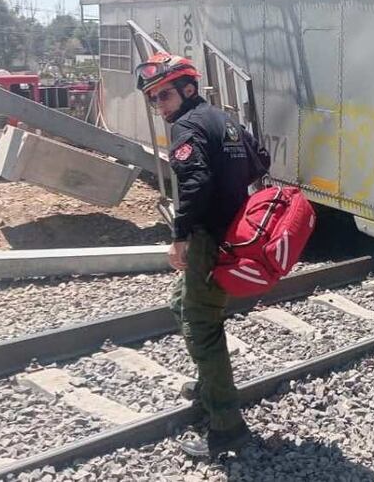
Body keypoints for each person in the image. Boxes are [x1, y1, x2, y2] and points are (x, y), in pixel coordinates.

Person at [135, 51, 270, 462]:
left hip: (209, 238)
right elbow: (260, 161)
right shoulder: (223, 120)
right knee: (181, 304)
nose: (158, 107)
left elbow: (194, 185)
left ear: (188, 89)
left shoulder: (187, 126)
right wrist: (230, 194)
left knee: (201, 323)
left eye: (163, 97)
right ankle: (207, 385)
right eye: (153, 99)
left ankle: (227, 426)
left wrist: (180, 237)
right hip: (231, 229)